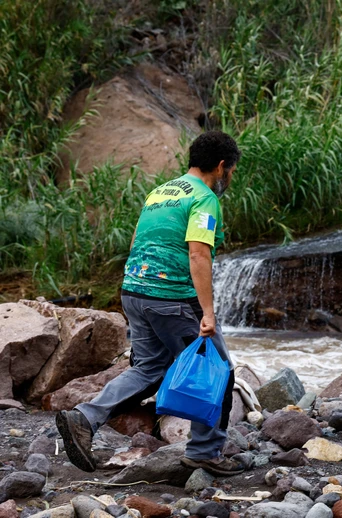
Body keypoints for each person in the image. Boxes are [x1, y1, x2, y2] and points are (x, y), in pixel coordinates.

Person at [55, 131, 245, 476]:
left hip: (134, 291)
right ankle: (205, 452)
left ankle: (84, 417)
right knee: (217, 370)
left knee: (149, 368)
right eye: (231, 171)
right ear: (221, 167)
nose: (229, 178)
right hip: (171, 298)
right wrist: (207, 312)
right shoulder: (204, 198)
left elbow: (135, 242)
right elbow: (198, 254)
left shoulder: (161, 192)